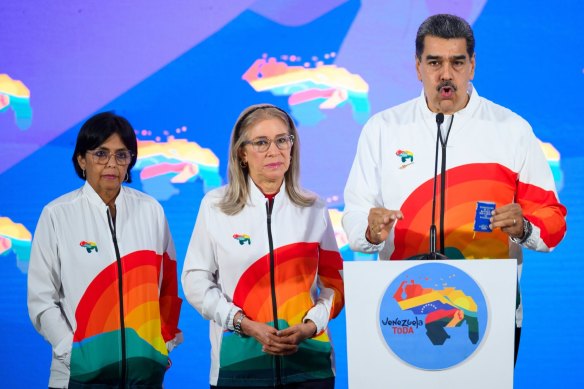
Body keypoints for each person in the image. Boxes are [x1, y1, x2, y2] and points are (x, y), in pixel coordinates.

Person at [342, 14, 567, 363]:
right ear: (418, 67)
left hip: (489, 310)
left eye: (457, 62)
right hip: (404, 314)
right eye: (434, 62)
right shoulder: (382, 129)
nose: (446, 74)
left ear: (472, 66)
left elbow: (552, 220)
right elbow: (355, 217)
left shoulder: (511, 129)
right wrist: (370, 231)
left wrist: (523, 227)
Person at [182, 104, 344, 388]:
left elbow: (335, 284)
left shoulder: (314, 207)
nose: (274, 151)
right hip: (239, 366)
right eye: (261, 142)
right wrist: (242, 323)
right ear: (241, 153)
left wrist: (310, 326)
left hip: (310, 367)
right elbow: (195, 280)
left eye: (282, 140)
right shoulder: (215, 207)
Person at [27, 112, 183, 388]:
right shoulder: (57, 214)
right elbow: (41, 299)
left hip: (144, 377)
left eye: (122, 155)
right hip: (78, 376)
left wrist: (161, 345)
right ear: (81, 160)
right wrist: (72, 353)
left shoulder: (152, 211)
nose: (112, 163)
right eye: (101, 153)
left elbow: (168, 286)